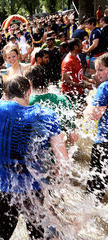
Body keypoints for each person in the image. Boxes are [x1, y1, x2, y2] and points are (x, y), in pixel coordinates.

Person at [0, 75, 69, 240]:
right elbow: (63, 161)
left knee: (1, 237)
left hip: (3, 191)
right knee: (37, 236)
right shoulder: (47, 115)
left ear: (5, 95)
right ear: (29, 90)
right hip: (34, 192)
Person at [84, 53, 108, 201]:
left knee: (95, 190)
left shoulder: (105, 87)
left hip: (104, 142)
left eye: (101, 70)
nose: (96, 74)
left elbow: (93, 116)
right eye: (96, 70)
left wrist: (88, 105)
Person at [61, 38, 94, 111]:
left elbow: (78, 73)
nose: (83, 46)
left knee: (83, 110)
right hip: (71, 94)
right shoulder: (68, 61)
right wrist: (83, 85)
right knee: (77, 113)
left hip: (78, 91)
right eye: (81, 44)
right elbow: (66, 80)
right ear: (76, 47)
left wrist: (88, 80)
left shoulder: (76, 57)